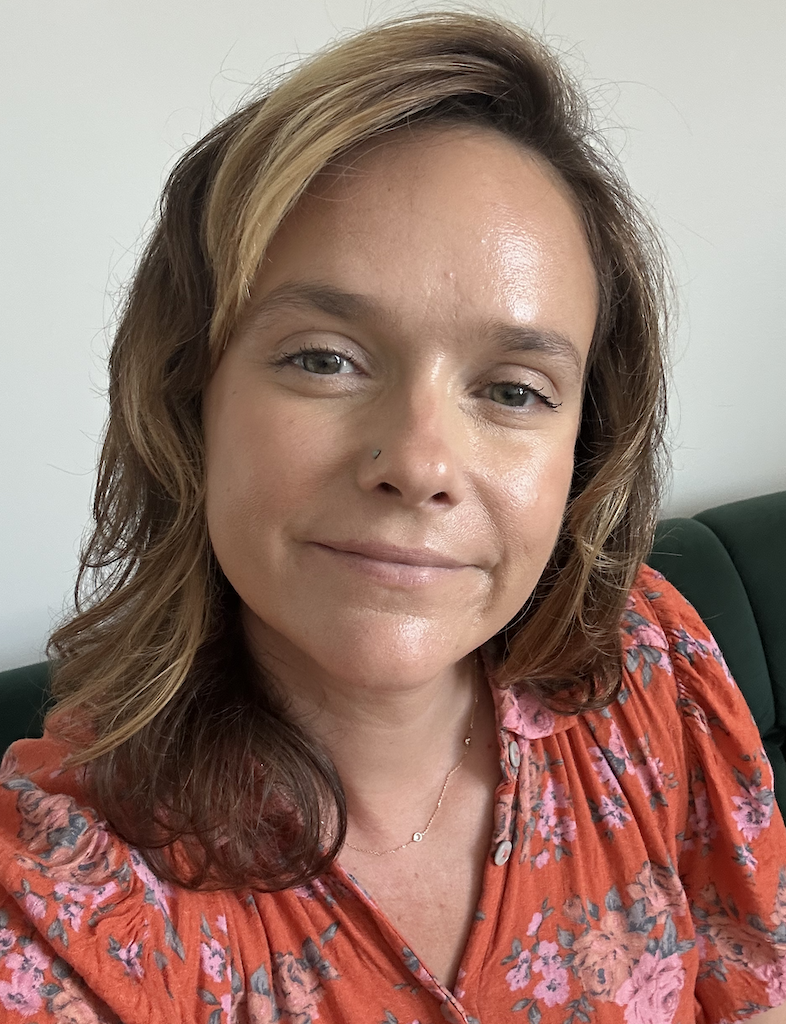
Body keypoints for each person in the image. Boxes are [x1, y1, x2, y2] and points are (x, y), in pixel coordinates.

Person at [1, 11, 784, 1023]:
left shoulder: (647, 661)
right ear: (191, 398)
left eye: (513, 390)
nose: (419, 463)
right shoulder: (61, 905)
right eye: (324, 358)